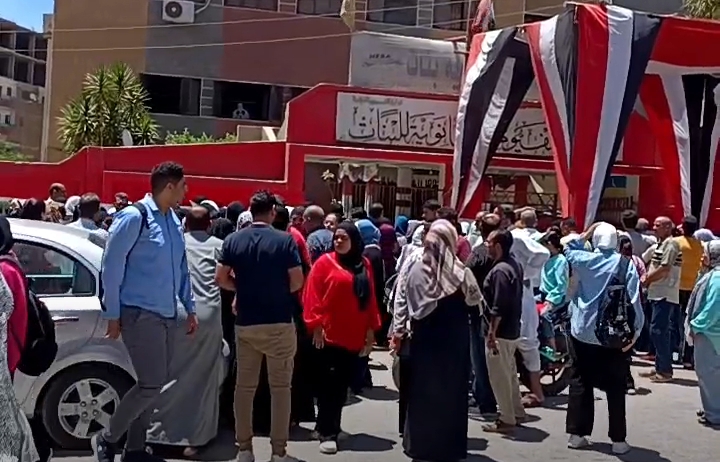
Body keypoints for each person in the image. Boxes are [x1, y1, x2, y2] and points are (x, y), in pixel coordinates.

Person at [94, 162, 197, 462]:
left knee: (152, 385)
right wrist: (113, 314)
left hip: (167, 314)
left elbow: (181, 268)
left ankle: (135, 449)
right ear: (169, 187)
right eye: (183, 185)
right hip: (139, 313)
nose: (186, 191)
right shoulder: (134, 217)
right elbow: (111, 267)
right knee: (151, 383)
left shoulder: (173, 220)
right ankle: (107, 438)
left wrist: (189, 306)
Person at [215, 190, 304, 462]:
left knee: (244, 388)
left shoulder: (233, 240)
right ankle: (278, 452)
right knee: (280, 389)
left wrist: (241, 289)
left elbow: (220, 277)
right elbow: (297, 281)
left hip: (246, 322)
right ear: (273, 212)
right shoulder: (285, 241)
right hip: (279, 321)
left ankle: (245, 449)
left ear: (250, 211)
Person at [397, 219, 483, 461]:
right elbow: (475, 303)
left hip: (424, 341)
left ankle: (419, 446)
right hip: (454, 343)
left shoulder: (416, 270)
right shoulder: (460, 272)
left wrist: (399, 329)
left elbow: (407, 301)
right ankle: (449, 447)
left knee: (422, 392)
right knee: (452, 394)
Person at [146, 206, 224, 456]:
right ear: (209, 225)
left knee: (165, 373)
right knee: (202, 377)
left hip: (170, 311)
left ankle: (155, 435)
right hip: (205, 314)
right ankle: (194, 438)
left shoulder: (169, 244)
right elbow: (225, 277)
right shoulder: (218, 246)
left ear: (185, 225)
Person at [563, 223, 644, 455]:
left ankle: (577, 435)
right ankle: (618, 440)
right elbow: (634, 300)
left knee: (580, 381)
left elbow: (568, 245)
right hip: (613, 334)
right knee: (616, 386)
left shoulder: (583, 259)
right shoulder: (625, 264)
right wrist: (635, 333)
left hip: (582, 331)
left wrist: (587, 232)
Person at [303, 221, 381, 454]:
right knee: (330, 384)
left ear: (354, 241)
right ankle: (328, 433)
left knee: (342, 385)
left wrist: (371, 330)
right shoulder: (324, 263)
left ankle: (328, 426)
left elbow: (370, 298)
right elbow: (312, 295)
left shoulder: (363, 264)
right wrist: (316, 325)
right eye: (336, 237)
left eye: (343, 237)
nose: (338, 241)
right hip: (328, 335)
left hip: (353, 333)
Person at [481, 229, 528, 433]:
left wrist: (492, 332)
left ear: (498, 246)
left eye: (489, 243)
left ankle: (507, 418)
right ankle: (516, 411)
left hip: (501, 332)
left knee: (500, 377)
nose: (486, 246)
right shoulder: (514, 264)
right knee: (509, 374)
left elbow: (498, 305)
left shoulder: (500, 271)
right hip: (512, 329)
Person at [390, 222, 430, 435]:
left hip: (438, 336)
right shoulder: (415, 258)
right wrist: (398, 328)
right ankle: (406, 427)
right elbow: (402, 293)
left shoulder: (452, 263)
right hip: (412, 330)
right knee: (409, 382)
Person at [465, 213, 501, 417]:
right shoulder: (505, 254)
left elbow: (465, 275)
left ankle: (485, 403)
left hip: (479, 311)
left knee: (479, 357)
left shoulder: (479, 253)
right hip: (498, 311)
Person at [510, 225, 550, 407]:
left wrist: (526, 273)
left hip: (522, 300)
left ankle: (537, 393)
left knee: (527, 344)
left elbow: (542, 253)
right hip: (516, 297)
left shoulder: (516, 238)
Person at [640, 216, 682, 383]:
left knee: (659, 331)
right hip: (656, 292)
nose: (654, 227)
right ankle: (660, 367)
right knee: (657, 330)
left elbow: (665, 269)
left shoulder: (671, 244)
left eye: (658, 225)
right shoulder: (660, 244)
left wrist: (647, 279)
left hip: (665, 293)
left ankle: (665, 370)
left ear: (667, 227)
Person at [685, 240, 720, 427]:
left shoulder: (717, 278)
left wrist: (696, 326)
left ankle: (714, 414)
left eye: (705, 254)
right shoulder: (712, 274)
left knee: (708, 373)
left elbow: (713, 307)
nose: (702, 258)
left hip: (710, 333)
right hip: (713, 333)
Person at [675, 216, 703, 368]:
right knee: (687, 323)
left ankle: (675, 353)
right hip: (692, 288)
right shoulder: (700, 245)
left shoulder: (676, 242)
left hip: (676, 287)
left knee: (674, 323)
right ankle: (686, 356)